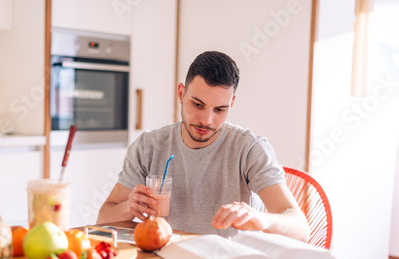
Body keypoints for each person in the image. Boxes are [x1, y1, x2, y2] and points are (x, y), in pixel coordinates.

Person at [96, 51, 309, 242]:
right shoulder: (148, 147)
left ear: (231, 104)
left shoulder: (249, 149)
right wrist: (128, 207)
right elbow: (102, 219)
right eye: (197, 105)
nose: (206, 120)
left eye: (220, 109)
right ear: (181, 94)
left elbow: (300, 228)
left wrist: (261, 220)